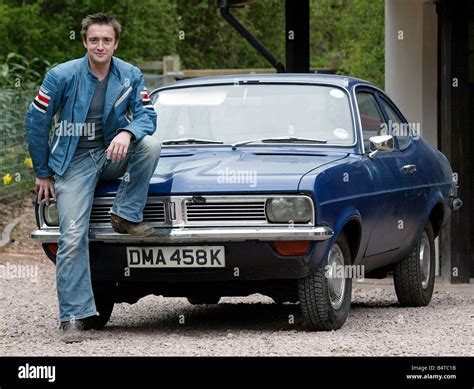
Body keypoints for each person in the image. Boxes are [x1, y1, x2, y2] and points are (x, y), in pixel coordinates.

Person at [25, 13, 161, 343]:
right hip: (74, 160)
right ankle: (73, 316)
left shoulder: (130, 74)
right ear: (85, 41)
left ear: (116, 43)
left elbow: (147, 115)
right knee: (72, 235)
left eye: (107, 40)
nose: (100, 46)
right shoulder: (61, 75)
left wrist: (128, 132)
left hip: (112, 151)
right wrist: (43, 172)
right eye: (94, 40)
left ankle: (125, 214)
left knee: (150, 145)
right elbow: (36, 121)